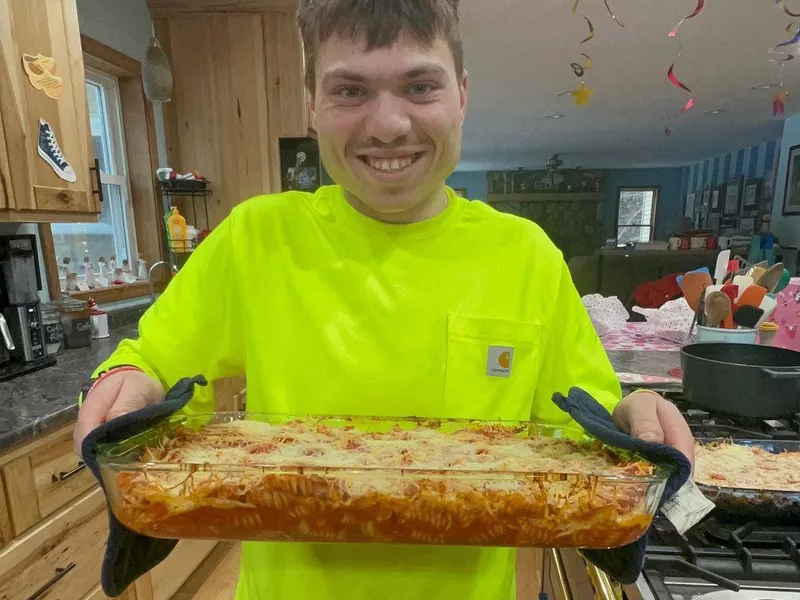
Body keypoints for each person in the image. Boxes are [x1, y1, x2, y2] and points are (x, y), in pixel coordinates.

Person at [73, 1, 694, 598]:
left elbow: (587, 427)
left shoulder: (525, 255)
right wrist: (126, 380)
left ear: (463, 98)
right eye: (350, 90)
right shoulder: (256, 239)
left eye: (421, 86)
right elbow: (151, 364)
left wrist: (635, 415)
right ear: (311, 102)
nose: (389, 124)